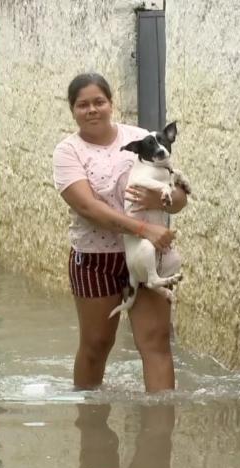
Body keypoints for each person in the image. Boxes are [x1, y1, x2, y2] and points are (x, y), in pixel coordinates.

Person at [52, 72, 188, 393]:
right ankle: (90, 426)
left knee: (155, 342)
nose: (92, 110)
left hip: (148, 253)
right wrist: (145, 228)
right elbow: (88, 208)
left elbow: (178, 195)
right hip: (97, 260)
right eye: (83, 105)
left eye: (99, 102)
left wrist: (163, 200)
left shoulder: (143, 139)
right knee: (97, 345)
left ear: (111, 104)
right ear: (73, 110)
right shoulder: (68, 152)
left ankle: (159, 429)